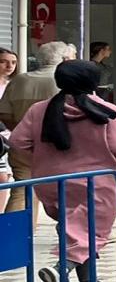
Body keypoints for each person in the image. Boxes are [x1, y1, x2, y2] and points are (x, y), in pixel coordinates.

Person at [10, 61, 116, 282]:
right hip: (95, 183)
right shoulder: (107, 110)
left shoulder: (39, 109)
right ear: (94, 81)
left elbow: (17, 142)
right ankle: (60, 269)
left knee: (76, 228)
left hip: (50, 180)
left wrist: (41, 160)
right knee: (93, 231)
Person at [0, 41, 75, 213]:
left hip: (22, 145)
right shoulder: (67, 82)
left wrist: (23, 130)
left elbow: (4, 114)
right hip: (60, 146)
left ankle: (17, 230)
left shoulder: (19, 81)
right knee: (66, 192)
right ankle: (71, 229)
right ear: (65, 59)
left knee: (23, 190)